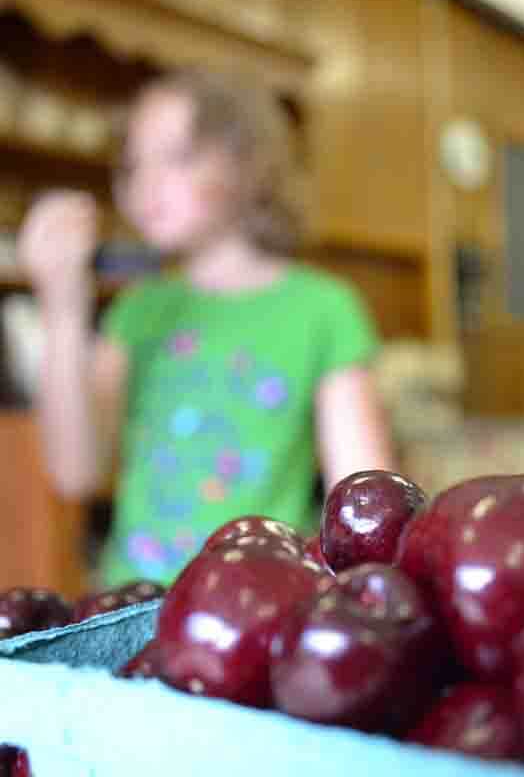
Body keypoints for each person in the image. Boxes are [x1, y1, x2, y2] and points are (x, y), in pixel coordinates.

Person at [17, 70, 394, 586]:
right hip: (132, 605)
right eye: (133, 164)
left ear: (248, 163)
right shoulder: (138, 309)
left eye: (177, 156)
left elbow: (364, 509)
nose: (144, 183)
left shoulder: (323, 309)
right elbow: (74, 472)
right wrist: (62, 308)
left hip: (261, 600)